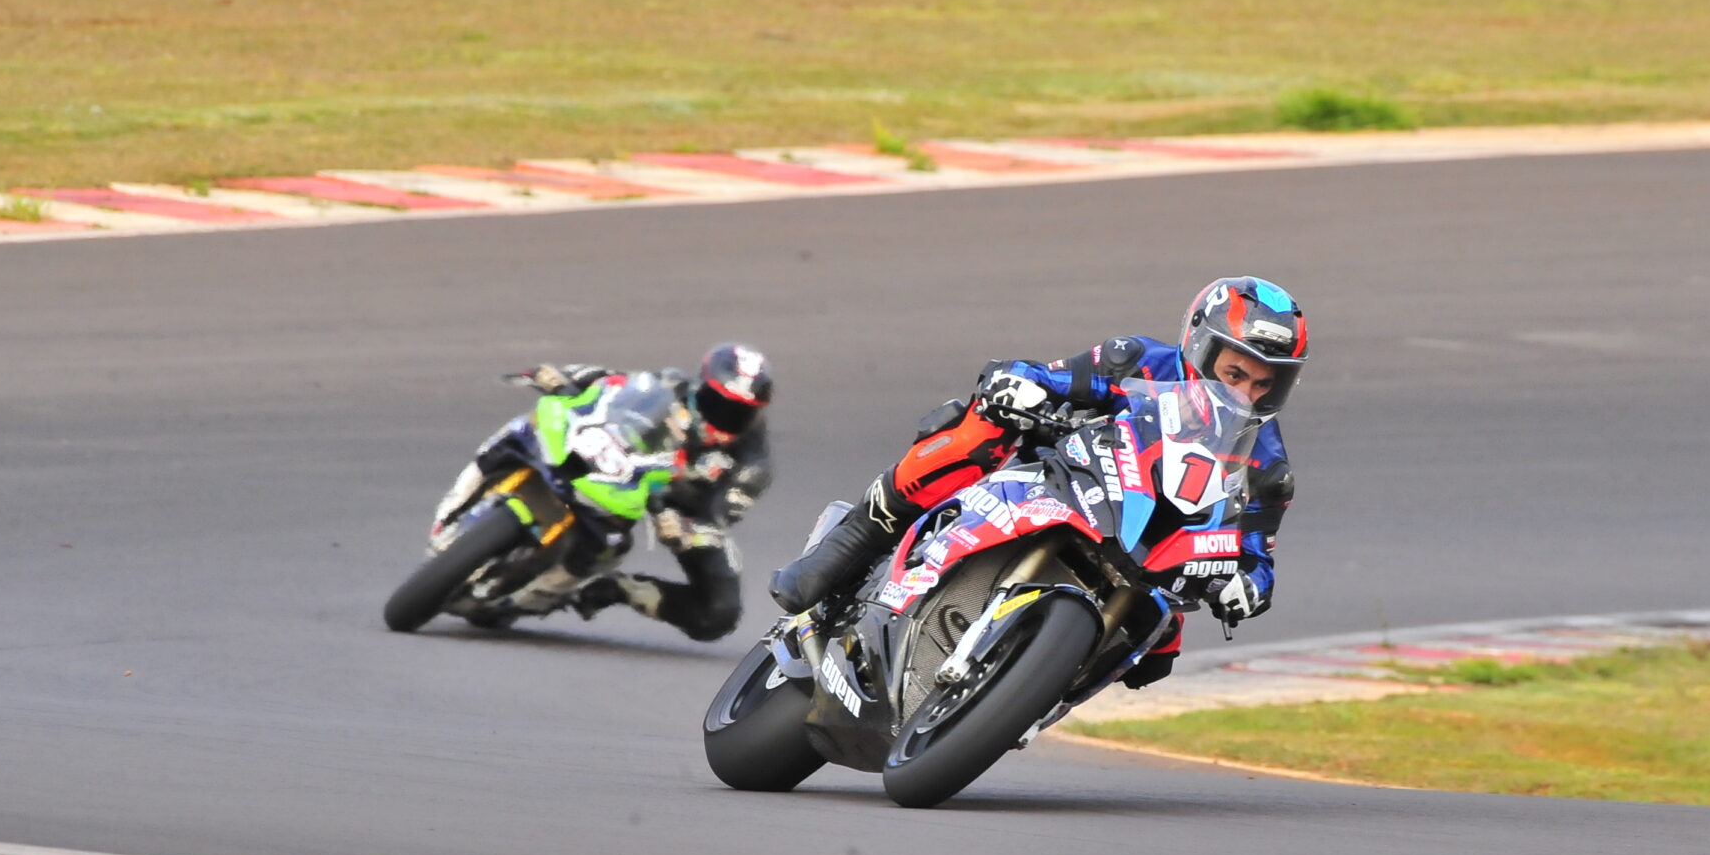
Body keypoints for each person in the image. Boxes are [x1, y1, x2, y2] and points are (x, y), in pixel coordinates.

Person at [768, 277, 1303, 685]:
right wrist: (1020, 384)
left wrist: (1248, 585)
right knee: (978, 430)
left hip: (1153, 555)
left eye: (1264, 384)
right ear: (1199, 346)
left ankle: (1028, 695)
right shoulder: (1137, 360)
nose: (1246, 394)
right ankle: (858, 537)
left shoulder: (1268, 462)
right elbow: (1051, 376)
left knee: (1153, 658)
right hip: (1078, 481)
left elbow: (1256, 553)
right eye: (1235, 373)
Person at [510, 343, 774, 641]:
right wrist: (566, 378)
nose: (725, 417)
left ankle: (618, 589)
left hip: (681, 509)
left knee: (719, 613)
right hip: (628, 466)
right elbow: (610, 385)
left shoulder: (752, 467)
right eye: (717, 403)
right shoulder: (669, 385)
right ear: (700, 386)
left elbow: (718, 517)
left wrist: (688, 532)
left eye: (739, 413)